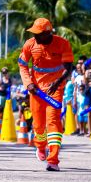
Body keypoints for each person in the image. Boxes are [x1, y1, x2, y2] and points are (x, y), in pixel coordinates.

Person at [18, 18, 74, 171]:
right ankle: (40, 146)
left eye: (39, 34)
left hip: (55, 89)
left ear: (48, 33)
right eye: (34, 33)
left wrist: (57, 83)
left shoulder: (63, 43)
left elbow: (68, 68)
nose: (35, 36)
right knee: (38, 125)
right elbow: (22, 65)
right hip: (36, 89)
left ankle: (53, 160)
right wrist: (28, 83)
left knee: (53, 122)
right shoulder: (30, 44)